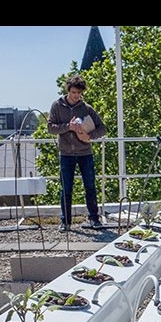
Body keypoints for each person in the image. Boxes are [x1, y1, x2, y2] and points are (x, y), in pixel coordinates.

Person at [47, 74, 107, 231]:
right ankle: (65, 221)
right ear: (68, 90)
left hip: (85, 153)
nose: (76, 96)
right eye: (73, 92)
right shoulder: (56, 106)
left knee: (90, 186)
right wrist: (68, 127)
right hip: (66, 153)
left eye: (79, 93)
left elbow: (103, 128)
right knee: (66, 188)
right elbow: (50, 128)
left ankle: (94, 218)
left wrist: (89, 136)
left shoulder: (87, 108)